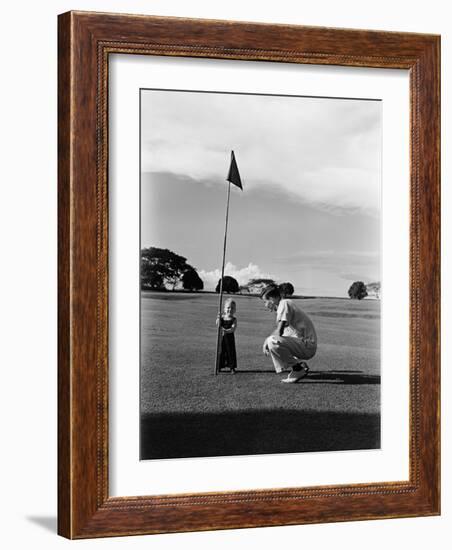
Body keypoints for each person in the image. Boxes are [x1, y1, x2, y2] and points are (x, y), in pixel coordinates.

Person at [261, 285, 317, 383]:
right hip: (303, 344)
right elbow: (284, 334)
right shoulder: (283, 307)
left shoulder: (284, 303)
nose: (265, 305)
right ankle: (300, 365)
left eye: (265, 302)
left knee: (272, 341)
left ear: (272, 299)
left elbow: (279, 331)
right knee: (274, 341)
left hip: (307, 345)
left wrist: (266, 341)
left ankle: (297, 369)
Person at [216, 298, 238, 373]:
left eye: (232, 308)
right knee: (221, 352)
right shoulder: (222, 318)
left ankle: (232, 367)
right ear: (224, 309)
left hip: (230, 339)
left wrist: (226, 331)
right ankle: (219, 366)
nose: (230, 309)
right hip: (221, 338)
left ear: (234, 310)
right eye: (228, 308)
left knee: (230, 352)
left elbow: (233, 328)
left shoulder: (234, 319)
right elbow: (218, 324)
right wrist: (218, 318)